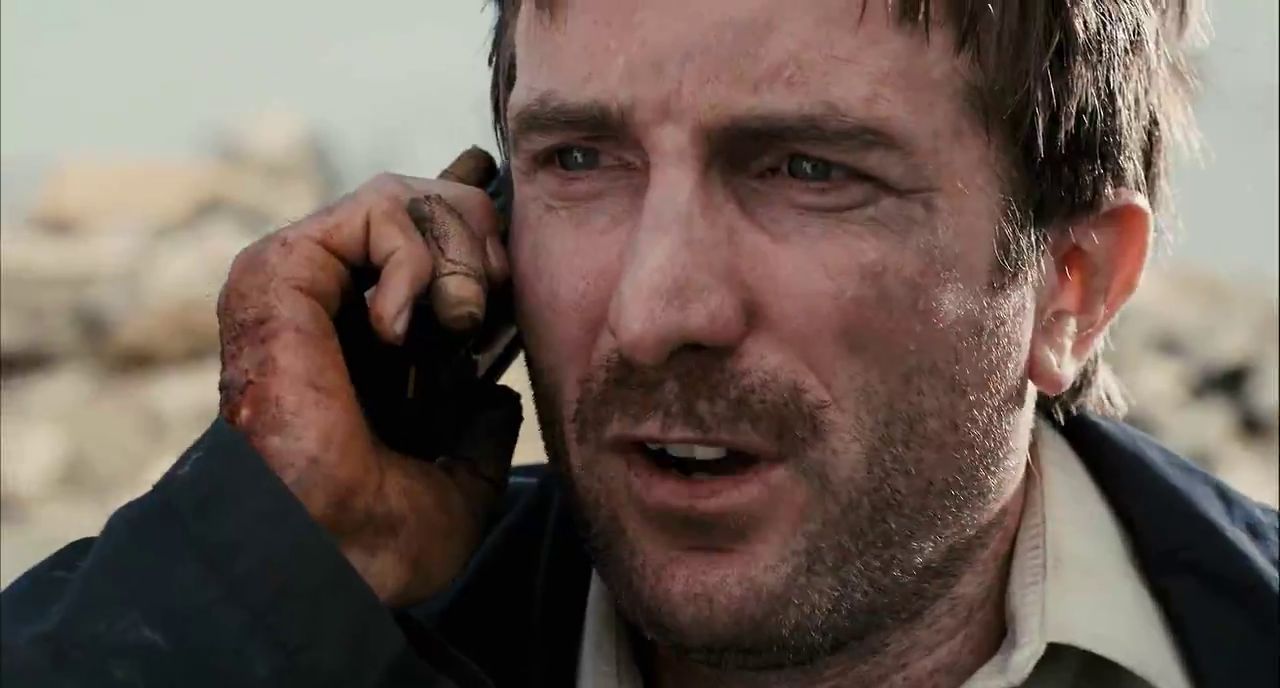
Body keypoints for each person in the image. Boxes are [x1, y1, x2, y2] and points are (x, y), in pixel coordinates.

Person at [2, 0, 1276, 686]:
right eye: (580, 160)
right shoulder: (321, 624)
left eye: (805, 169)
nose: (655, 311)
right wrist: (268, 577)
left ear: (1072, 284)